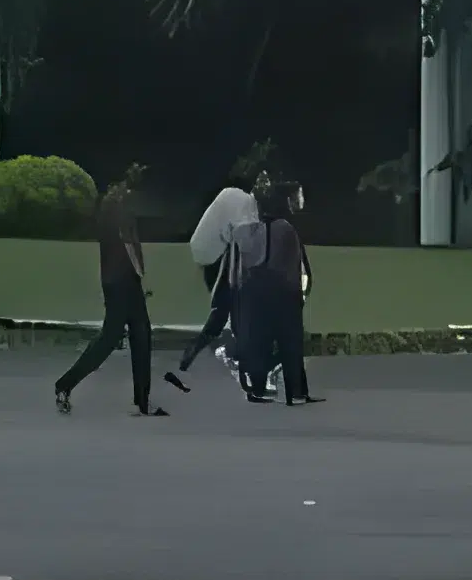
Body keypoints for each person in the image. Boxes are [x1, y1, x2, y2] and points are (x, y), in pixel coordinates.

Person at [49, 167, 174, 417]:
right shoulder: (121, 204)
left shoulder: (108, 204)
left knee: (135, 336)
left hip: (115, 280)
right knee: (119, 338)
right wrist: (142, 275)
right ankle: (65, 384)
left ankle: (141, 399)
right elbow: (129, 241)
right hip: (125, 281)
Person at [164, 155, 267, 395]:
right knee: (239, 317)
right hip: (221, 265)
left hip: (210, 258)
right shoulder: (244, 209)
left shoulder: (233, 197)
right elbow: (245, 250)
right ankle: (250, 372)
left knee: (222, 315)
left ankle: (194, 353)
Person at [236, 178, 320, 406]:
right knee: (290, 343)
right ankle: (297, 392)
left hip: (257, 292)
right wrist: (299, 295)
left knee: (260, 341)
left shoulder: (252, 229)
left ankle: (258, 389)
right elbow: (296, 265)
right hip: (284, 292)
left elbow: (245, 264)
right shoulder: (286, 229)